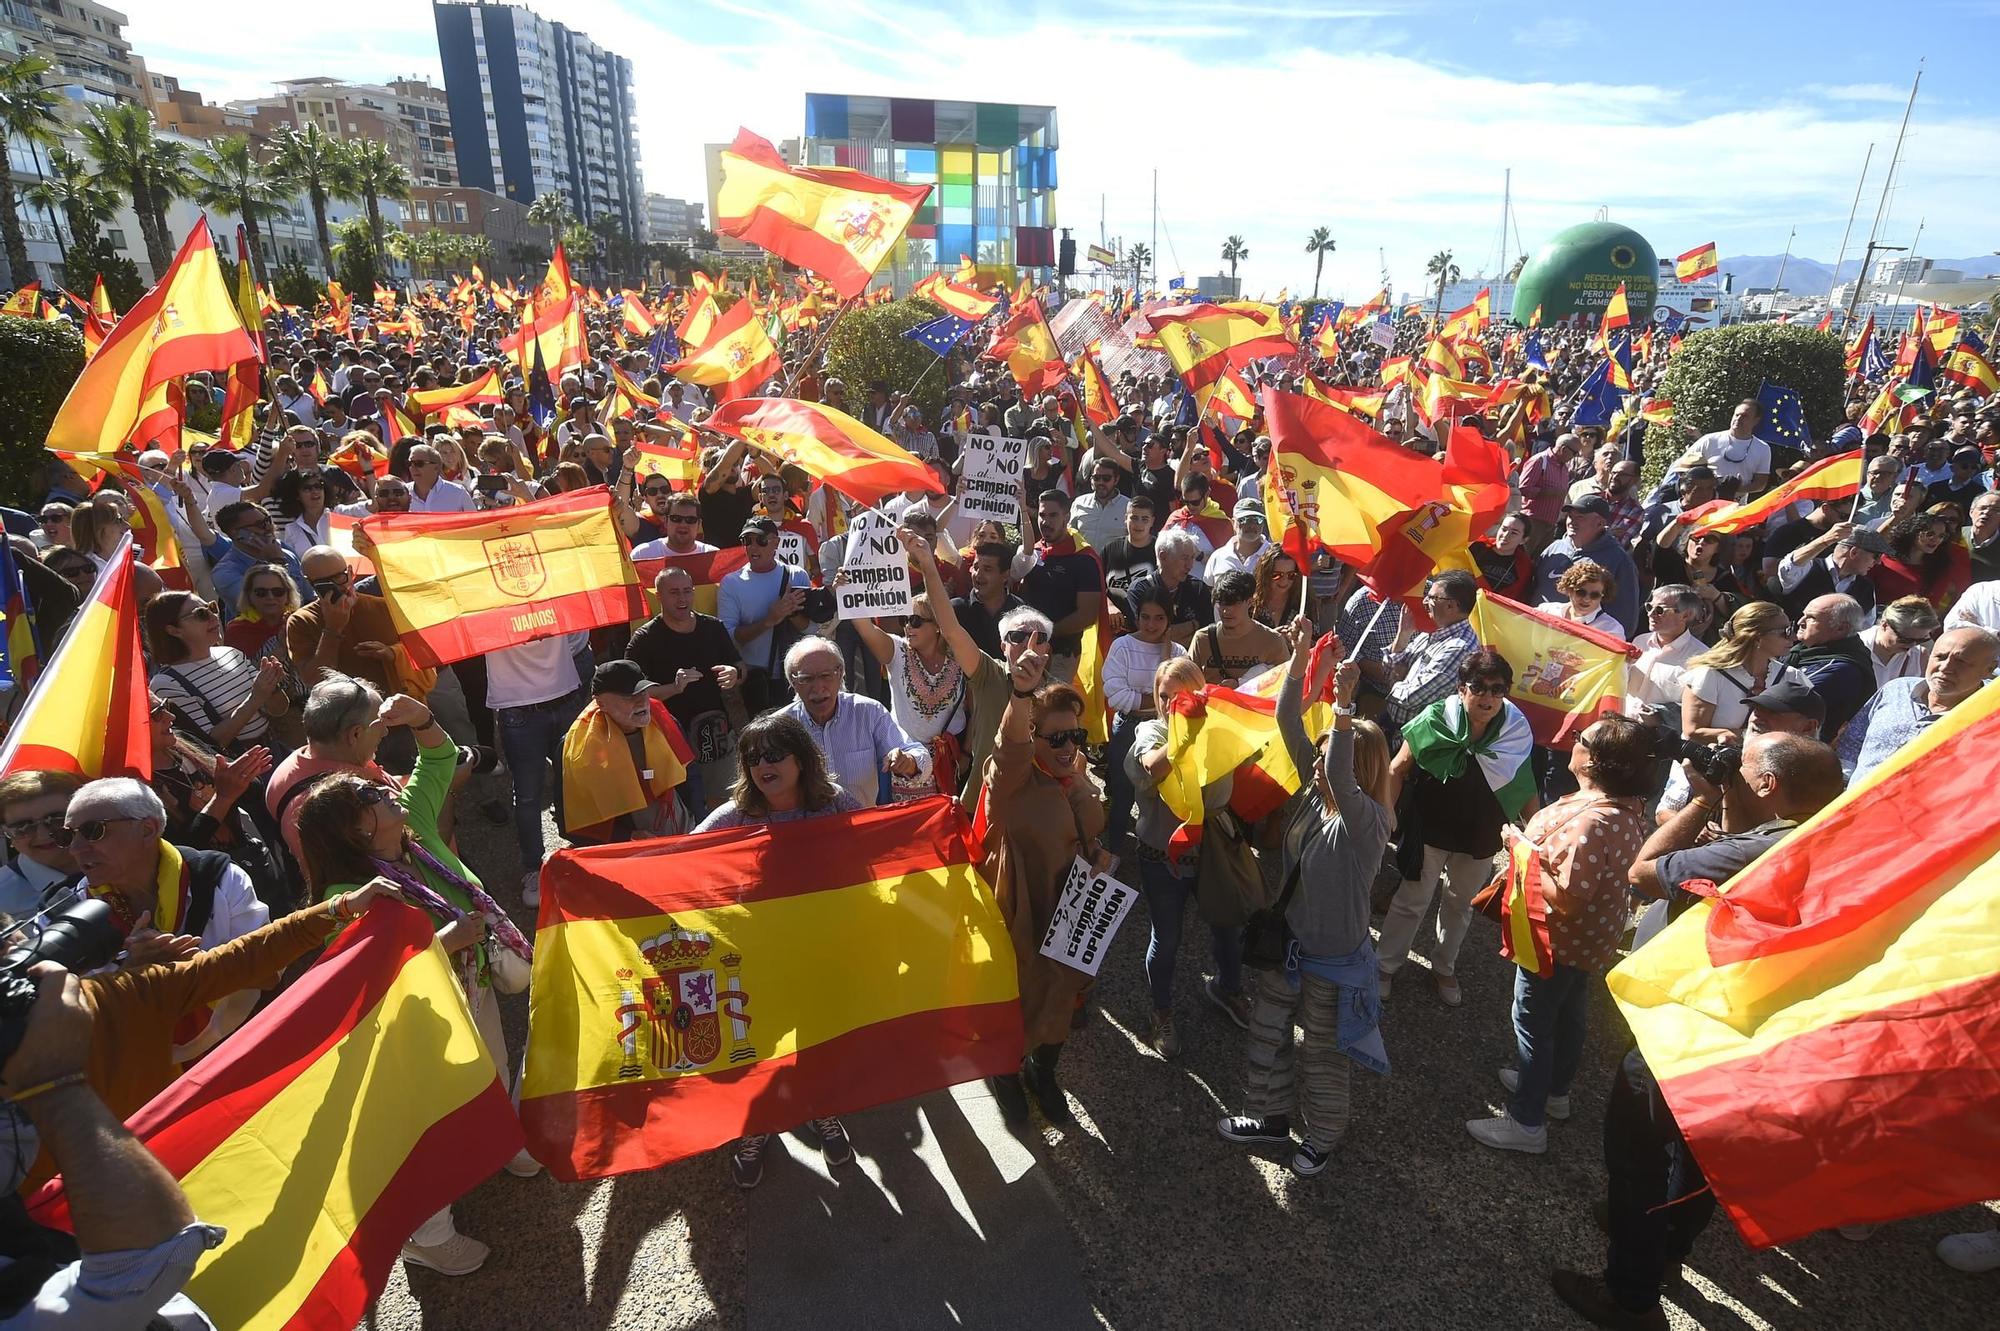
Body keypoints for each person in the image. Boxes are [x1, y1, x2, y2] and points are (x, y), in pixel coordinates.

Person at [1550, 733, 1848, 1327]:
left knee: (1636, 1153)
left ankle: (1629, 1296)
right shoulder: (1831, 834)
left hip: (1692, 1021)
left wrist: (1702, 802)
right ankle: (1668, 1252)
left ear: (1768, 786)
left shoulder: (1763, 848)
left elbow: (1643, 873)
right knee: (1703, 1147)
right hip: (1755, 1024)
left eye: (1743, 767)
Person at [293, 707, 539, 1273]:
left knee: (491, 1075)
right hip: (414, 1024)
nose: (390, 791)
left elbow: (439, 758)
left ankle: (500, 1145)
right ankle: (426, 1236)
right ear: (357, 830)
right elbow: (371, 976)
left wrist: (422, 717)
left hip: (468, 991)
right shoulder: (348, 893)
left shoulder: (413, 831)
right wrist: (447, 943)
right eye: (373, 795)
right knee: (430, 1120)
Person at [1215, 620, 1394, 1177]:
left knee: (1322, 1053)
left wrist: (1342, 706)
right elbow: (1287, 719)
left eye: (1325, 758)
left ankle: (1322, 1135)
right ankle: (1268, 1116)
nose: (1312, 764)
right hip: (1288, 948)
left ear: (1357, 769)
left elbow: (1338, 771)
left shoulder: (1367, 820)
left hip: (1334, 962)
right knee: (1267, 1035)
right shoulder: (1319, 800)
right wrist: (1298, 659)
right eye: (1316, 757)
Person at [1466, 714, 1653, 1155]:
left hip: (1556, 942)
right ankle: (1555, 1090)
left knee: (1531, 1021)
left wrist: (1520, 851)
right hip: (1590, 942)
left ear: (1594, 760)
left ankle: (1526, 1121)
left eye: (1580, 739)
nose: (1574, 742)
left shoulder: (1592, 822)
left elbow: (1565, 898)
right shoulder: (1626, 808)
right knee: (1570, 1013)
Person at [980, 657, 1109, 1126]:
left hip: (1074, 902)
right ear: (1032, 737)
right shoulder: (1011, 782)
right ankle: (1006, 1075)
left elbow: (1088, 830)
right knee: (1017, 995)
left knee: (1063, 992)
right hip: (1021, 906)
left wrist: (1097, 857)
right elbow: (1008, 748)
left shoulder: (1074, 774)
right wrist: (1019, 692)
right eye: (1054, 737)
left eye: (1074, 735)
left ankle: (1042, 1071)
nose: (1067, 746)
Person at [64, 776, 272, 1058]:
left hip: (239, 1049)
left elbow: (270, 975)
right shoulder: (64, 914)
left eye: (93, 831)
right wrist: (131, 977)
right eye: (67, 835)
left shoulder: (218, 878)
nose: (76, 847)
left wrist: (194, 969)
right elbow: (69, 1027)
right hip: (142, 1074)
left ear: (148, 830)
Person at [1381, 648, 1536, 1006]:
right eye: (1478, 687)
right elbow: (1396, 768)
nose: (1488, 696)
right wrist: (1387, 814)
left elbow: (1526, 785)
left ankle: (1444, 965)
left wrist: (1533, 834)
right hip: (1430, 826)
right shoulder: (1435, 717)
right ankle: (1385, 965)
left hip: (1481, 834)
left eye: (1498, 689)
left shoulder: (1515, 730)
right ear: (1460, 687)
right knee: (1411, 899)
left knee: (1459, 903)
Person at [1125, 657, 1234, 1057]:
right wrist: (1182, 742)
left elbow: (1220, 799)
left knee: (1227, 926)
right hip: (1160, 858)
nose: (1172, 706)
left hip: (1207, 856)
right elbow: (1150, 769)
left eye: (1182, 697)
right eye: (1165, 697)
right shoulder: (1150, 730)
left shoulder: (1215, 733)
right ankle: (1162, 1012)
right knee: (1166, 938)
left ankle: (1230, 988)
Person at [625, 567, 745, 819]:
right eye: (674, 592)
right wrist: (674, 688)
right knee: (681, 808)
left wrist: (734, 673)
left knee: (723, 806)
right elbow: (633, 699)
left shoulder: (713, 627)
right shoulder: (644, 640)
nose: (682, 599)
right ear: (659, 596)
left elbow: (739, 666)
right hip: (668, 740)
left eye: (687, 591)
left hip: (717, 734)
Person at [555, 659, 694, 844]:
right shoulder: (575, 749)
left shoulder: (665, 723)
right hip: (630, 852)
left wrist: (698, 824)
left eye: (643, 691)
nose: (641, 701)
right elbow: (571, 824)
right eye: (628, 696)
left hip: (682, 832)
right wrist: (626, 837)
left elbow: (691, 779)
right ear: (601, 703)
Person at [846, 593, 968, 800]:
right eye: (905, 620)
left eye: (916, 621)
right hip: (903, 761)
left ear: (938, 624)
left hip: (949, 763)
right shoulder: (898, 651)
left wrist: (966, 753)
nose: (908, 627)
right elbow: (866, 628)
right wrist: (848, 592)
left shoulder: (962, 658)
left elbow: (976, 709)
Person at [779, 637, 927, 806]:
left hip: (860, 826)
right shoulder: (779, 728)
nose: (818, 687)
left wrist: (907, 761)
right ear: (793, 681)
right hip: (804, 829)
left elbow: (917, 754)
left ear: (840, 672)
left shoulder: (868, 712)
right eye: (807, 679)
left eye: (826, 676)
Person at [1838, 626, 2000, 778]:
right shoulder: (1896, 690)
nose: (1945, 667)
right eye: (1940, 657)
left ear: (1989, 670)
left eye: (1961, 662)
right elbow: (1852, 741)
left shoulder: (1988, 722)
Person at [146, 590, 289, 755]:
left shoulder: (232, 653)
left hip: (273, 750)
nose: (213, 617)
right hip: (241, 767)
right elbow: (208, 744)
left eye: (212, 607)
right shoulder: (166, 683)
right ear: (174, 630)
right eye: (200, 614)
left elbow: (279, 709)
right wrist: (255, 699)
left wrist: (272, 686)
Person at [1103, 583, 1192, 847]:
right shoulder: (1123, 646)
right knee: (1122, 791)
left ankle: (1157, 847)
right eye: (1145, 617)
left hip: (1163, 731)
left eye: (1159, 618)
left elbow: (1183, 696)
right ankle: (1115, 847)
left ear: (1169, 617)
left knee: (1161, 792)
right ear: (1136, 616)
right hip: (1128, 728)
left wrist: (1164, 658)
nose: (1152, 625)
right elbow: (1117, 696)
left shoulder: (1177, 652)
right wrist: (1160, 699)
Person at [718, 516, 817, 708]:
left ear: (776, 542)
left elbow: (811, 630)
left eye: (761, 540)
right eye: (747, 541)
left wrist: (791, 614)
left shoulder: (797, 575)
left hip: (796, 677)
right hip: (756, 681)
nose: (753, 547)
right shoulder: (731, 583)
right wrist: (768, 620)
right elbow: (729, 638)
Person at [1680, 603, 1807, 744]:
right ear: (1757, 637)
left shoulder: (1792, 677)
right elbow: (1693, 731)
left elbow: (1808, 726)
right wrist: (1752, 735)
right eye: (1786, 631)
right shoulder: (1709, 675)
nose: (1794, 637)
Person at [1020, 490, 1106, 682]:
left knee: (1051, 707)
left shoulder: (1084, 560)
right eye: (1042, 515)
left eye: (1053, 515)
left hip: (1063, 655)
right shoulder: (1031, 553)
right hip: (1026, 649)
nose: (1045, 521)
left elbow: (1087, 616)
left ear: (1066, 517)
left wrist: (1046, 633)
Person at [1380, 570, 1481, 732]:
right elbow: (1387, 669)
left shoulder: (1459, 648)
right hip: (1392, 724)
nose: (1425, 601)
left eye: (1432, 597)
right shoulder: (1434, 631)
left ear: (1451, 606)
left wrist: (1395, 680)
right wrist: (1403, 635)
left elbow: (1411, 698)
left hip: (1412, 738)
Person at [1533, 496, 1640, 637]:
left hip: (1578, 644)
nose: (1572, 521)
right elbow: (1533, 586)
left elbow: (1625, 618)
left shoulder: (1618, 560)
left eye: (1580, 517)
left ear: (1600, 523)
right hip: (1538, 632)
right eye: (1570, 516)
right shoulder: (1555, 547)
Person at [1784, 594, 1877, 740]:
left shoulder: (1841, 670)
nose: (1801, 622)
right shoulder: (1803, 650)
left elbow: (1783, 700)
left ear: (1841, 628)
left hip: (1805, 748)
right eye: (1804, 615)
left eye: (1812, 618)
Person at [0, 770, 83, 917]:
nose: (43, 835)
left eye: (56, 820)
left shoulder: (125, 862)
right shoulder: (3, 898)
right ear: (6, 833)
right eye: (23, 827)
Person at [1191, 570, 1287, 688]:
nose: (1226, 611)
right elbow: (1188, 682)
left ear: (1250, 602)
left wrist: (1243, 685)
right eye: (1222, 603)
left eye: (1234, 603)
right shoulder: (1202, 639)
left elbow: (1284, 685)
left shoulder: (1272, 641)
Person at [1774, 522, 1886, 622]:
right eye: (1875, 556)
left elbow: (1865, 627)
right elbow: (1789, 566)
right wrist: (1825, 540)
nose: (1878, 562)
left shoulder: (1866, 588)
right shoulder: (1809, 568)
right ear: (1854, 553)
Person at [1627, 585, 1704, 722]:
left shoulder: (1700, 657)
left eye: (1660, 610)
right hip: (1623, 724)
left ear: (1685, 615)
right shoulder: (1640, 641)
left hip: (1660, 736)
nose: (1651, 614)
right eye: (1649, 607)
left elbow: (1696, 708)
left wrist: (1660, 715)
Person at [1124, 528, 1211, 648]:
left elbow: (1206, 636)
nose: (1190, 565)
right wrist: (1193, 625)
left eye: (1192, 558)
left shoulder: (1198, 588)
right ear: (1163, 556)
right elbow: (1148, 636)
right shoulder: (1140, 590)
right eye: (1184, 558)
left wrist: (1167, 635)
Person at [1872, 507, 1970, 611]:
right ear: (1914, 532)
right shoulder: (1885, 558)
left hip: (1909, 623)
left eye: (1941, 536)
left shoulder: (1940, 570)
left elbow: (1930, 608)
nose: (1935, 540)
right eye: (1929, 534)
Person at [1680, 398, 1772, 496]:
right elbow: (1682, 467)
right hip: (1706, 503)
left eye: (1745, 416)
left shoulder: (1762, 448)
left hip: (1737, 506)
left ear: (1756, 421)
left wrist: (1735, 489)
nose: (1738, 419)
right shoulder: (1709, 440)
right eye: (1737, 415)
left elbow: (1760, 484)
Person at [951, 540, 1026, 659]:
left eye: (987, 569)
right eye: (975, 567)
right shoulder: (955, 610)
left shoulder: (1021, 613)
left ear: (1005, 575)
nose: (978, 574)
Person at [1099, 495, 1160, 618]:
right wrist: (1109, 605)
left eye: (1145, 519)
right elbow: (1095, 586)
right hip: (1113, 626)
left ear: (1152, 521)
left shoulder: (1160, 550)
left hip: (1148, 627)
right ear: (1125, 518)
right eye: (1134, 518)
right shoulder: (1110, 549)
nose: (1139, 524)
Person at [224, 563, 301, 658]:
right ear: (249, 595)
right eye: (261, 592)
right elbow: (242, 670)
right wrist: (282, 647)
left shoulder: (299, 621)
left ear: (288, 594)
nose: (270, 597)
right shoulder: (237, 630)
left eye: (278, 592)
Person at [1540, 558, 1628, 641]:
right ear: (1569, 589)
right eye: (1581, 592)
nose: (1586, 599)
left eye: (1595, 595)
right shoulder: (1545, 610)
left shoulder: (1611, 630)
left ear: (1603, 596)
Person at [1867, 595, 1939, 686]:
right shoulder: (1857, 646)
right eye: (1905, 640)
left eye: (1920, 640)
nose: (1912, 645)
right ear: (1885, 625)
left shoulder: (1920, 657)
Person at [1068, 459, 1130, 552]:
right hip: (1084, 562)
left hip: (1114, 564)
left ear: (1116, 480)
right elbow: (1069, 534)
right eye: (1096, 478)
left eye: (1106, 478)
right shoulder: (1079, 503)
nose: (1101, 482)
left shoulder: (1128, 506)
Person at [1204, 498, 1273, 581]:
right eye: (1244, 520)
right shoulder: (1218, 556)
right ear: (1233, 523)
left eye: (1257, 519)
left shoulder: (1274, 557)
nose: (1251, 525)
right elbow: (1209, 590)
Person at [1471, 513, 1535, 598]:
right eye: (1504, 529)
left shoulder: (1525, 568)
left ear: (1523, 540)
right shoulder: (1477, 547)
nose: (1505, 535)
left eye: (1514, 533)